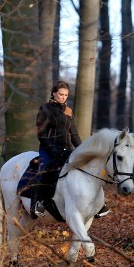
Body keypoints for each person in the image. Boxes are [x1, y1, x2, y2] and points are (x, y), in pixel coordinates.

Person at [30, 81, 110, 219]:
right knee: (44, 170)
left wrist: (83, 151)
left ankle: (98, 205)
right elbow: (41, 134)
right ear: (54, 93)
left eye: (66, 95)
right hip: (48, 149)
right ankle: (37, 204)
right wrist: (51, 149)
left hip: (67, 148)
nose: (63, 97)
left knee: (89, 167)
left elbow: (74, 134)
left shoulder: (68, 111)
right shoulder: (45, 108)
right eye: (61, 94)